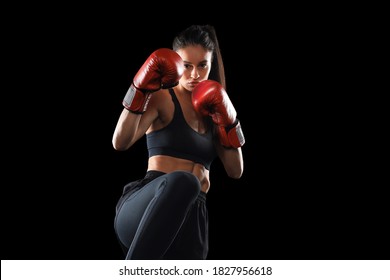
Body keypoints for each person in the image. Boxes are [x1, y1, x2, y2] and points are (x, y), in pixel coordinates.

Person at [112, 24, 245, 260]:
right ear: (176, 63)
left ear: (211, 64)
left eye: (202, 65)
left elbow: (236, 171)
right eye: (187, 66)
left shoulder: (214, 108)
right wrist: (140, 89)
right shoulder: (164, 97)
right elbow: (119, 143)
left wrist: (229, 121)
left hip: (193, 220)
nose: (195, 74)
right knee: (186, 182)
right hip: (146, 205)